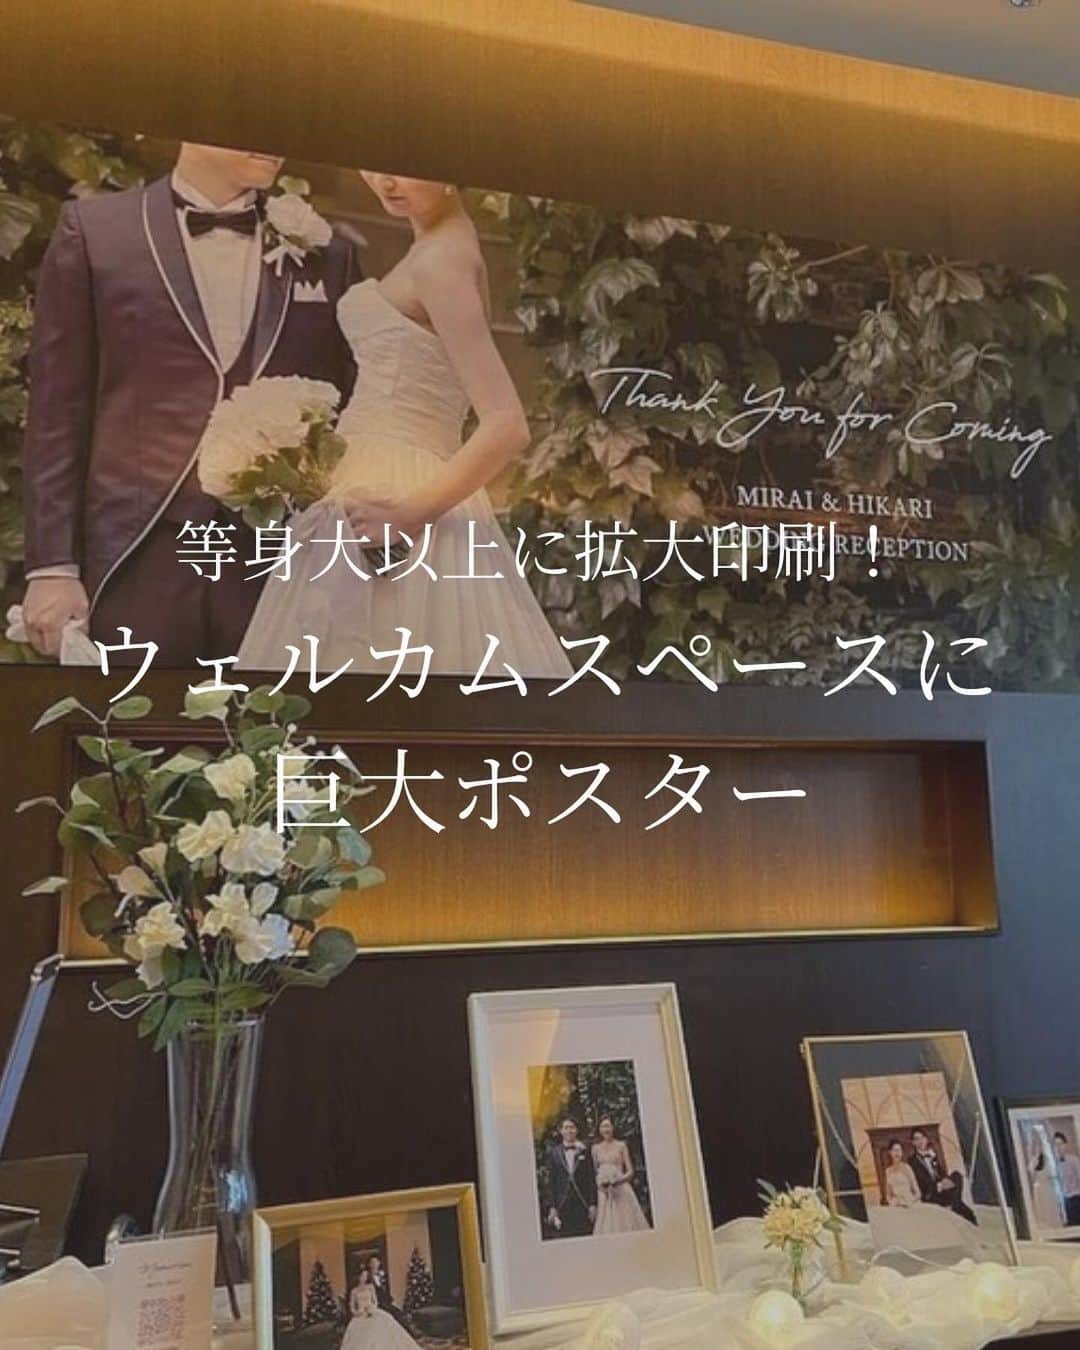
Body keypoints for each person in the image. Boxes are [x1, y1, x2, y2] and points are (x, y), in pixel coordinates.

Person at [20, 142, 356, 665]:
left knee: (273, 715)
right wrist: (53, 567)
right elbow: (57, 408)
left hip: (276, 557)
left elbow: (355, 403)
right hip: (138, 545)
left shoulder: (330, 253)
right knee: (129, 714)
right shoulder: (97, 231)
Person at [237, 172, 573, 678]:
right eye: (373, 168)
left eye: (402, 168)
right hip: (376, 477)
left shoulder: (442, 262)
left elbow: (507, 424)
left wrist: (410, 514)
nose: (385, 183)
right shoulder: (439, 248)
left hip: (401, 488)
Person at [591, 1115, 650, 1235]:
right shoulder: (595, 1148)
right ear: (599, 1129)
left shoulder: (621, 1145)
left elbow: (630, 1171)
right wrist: (601, 1184)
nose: (606, 1129)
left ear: (613, 1128)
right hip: (604, 1193)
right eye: (603, 1126)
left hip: (621, 1189)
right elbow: (595, 1172)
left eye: (608, 1126)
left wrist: (618, 1181)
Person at [541, 1117, 597, 1239]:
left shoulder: (585, 1151)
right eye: (566, 1128)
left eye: (572, 1127)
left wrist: (593, 1204)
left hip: (582, 1202)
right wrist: (552, 1207)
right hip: (562, 1204)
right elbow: (551, 1182)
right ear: (561, 1131)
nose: (569, 1130)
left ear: (576, 1130)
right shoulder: (554, 1153)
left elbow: (591, 1178)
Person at [908, 1128, 977, 1224]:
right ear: (913, 1143)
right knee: (967, 1212)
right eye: (916, 1139)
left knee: (956, 1175)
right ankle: (956, 1204)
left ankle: (955, 1203)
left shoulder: (932, 1155)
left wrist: (945, 1180)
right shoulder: (912, 1161)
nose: (920, 1141)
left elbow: (941, 1172)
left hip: (942, 1189)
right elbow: (921, 1180)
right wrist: (938, 1185)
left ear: (926, 1139)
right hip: (931, 1193)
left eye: (922, 1138)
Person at [340, 1270, 421, 1350]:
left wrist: (371, 1309)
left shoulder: (370, 1287)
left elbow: (375, 1301)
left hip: (372, 1310)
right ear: (358, 1277)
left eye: (366, 1276)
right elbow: (352, 1307)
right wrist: (358, 1312)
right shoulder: (354, 1291)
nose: (364, 1278)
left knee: (383, 1323)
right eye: (362, 1276)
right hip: (360, 1314)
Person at [1027, 1134, 1064, 1233]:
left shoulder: (1049, 1158)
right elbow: (1032, 1174)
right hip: (1040, 1189)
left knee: (1051, 1209)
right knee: (1042, 1210)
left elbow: (1053, 1173)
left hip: (1049, 1188)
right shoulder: (1034, 1160)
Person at [366, 1255, 407, 1327]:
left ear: (379, 1263)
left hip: (385, 1301)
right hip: (376, 1302)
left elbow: (385, 1290)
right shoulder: (367, 1277)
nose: (374, 1264)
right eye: (372, 1262)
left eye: (376, 1262)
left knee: (398, 1313)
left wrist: (391, 1300)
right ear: (369, 1264)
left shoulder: (382, 1275)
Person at [1051, 1132, 1080, 1226]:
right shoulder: (1055, 1164)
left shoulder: (1074, 1160)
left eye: (1060, 1144)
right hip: (1065, 1200)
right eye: (1056, 1145)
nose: (1058, 1147)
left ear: (1065, 1145)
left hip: (1076, 1198)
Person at [882, 1138, 921, 1208]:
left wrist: (910, 1201)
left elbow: (918, 1193)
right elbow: (888, 1195)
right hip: (896, 1205)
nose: (897, 1153)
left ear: (902, 1153)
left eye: (899, 1150)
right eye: (894, 1150)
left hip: (910, 1203)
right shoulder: (888, 1171)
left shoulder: (907, 1168)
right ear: (890, 1152)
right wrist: (893, 1202)